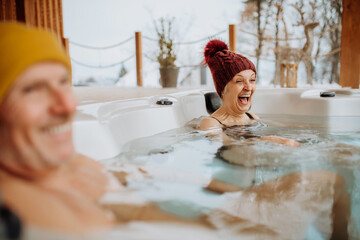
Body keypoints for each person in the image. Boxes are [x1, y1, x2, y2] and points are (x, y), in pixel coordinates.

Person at [0, 22, 119, 235]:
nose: (67, 105)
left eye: (63, 82)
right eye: (32, 88)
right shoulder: (15, 208)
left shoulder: (76, 165)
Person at [200, 39, 299, 147]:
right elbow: (226, 142)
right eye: (239, 81)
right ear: (223, 88)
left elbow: (285, 128)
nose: (249, 87)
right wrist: (264, 140)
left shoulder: (252, 117)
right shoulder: (211, 123)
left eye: (252, 80)